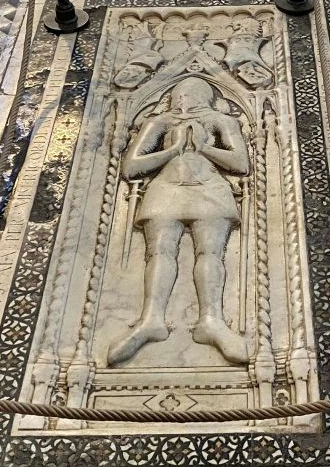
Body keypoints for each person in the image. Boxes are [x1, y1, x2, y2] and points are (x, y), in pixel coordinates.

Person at [107, 77, 250, 365]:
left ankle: (212, 321)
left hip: (210, 189)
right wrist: (172, 150)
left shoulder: (221, 121)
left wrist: (204, 148)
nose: (185, 99)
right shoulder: (159, 122)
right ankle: (151, 321)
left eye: (192, 93)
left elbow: (241, 164)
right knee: (159, 253)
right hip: (166, 190)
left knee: (210, 253)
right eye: (180, 94)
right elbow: (131, 167)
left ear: (207, 97)